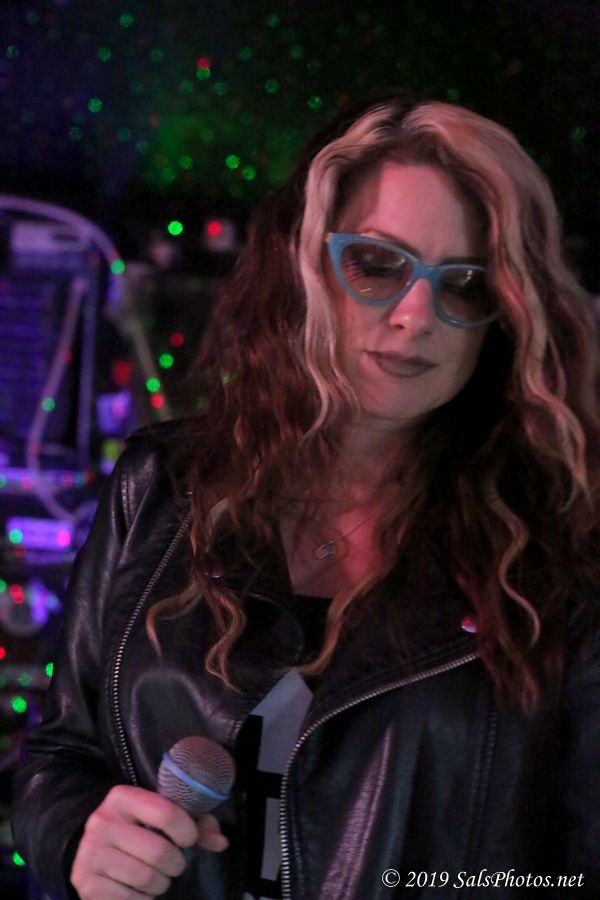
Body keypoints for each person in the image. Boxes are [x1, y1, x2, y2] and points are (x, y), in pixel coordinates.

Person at [12, 93, 600, 900]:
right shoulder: (160, 487)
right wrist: (79, 838)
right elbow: (60, 757)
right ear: (303, 264)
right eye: (377, 263)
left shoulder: (560, 554)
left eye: (465, 283)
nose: (417, 314)